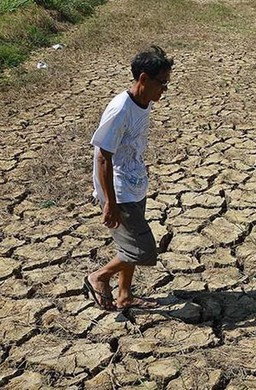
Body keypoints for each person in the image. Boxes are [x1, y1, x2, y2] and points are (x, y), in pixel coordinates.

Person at [83, 45, 173, 310]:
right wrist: (109, 202)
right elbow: (102, 157)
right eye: (162, 83)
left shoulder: (142, 102)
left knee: (129, 247)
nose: (164, 90)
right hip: (119, 191)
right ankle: (98, 276)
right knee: (142, 250)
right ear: (143, 79)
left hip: (134, 185)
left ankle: (125, 296)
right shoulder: (120, 109)